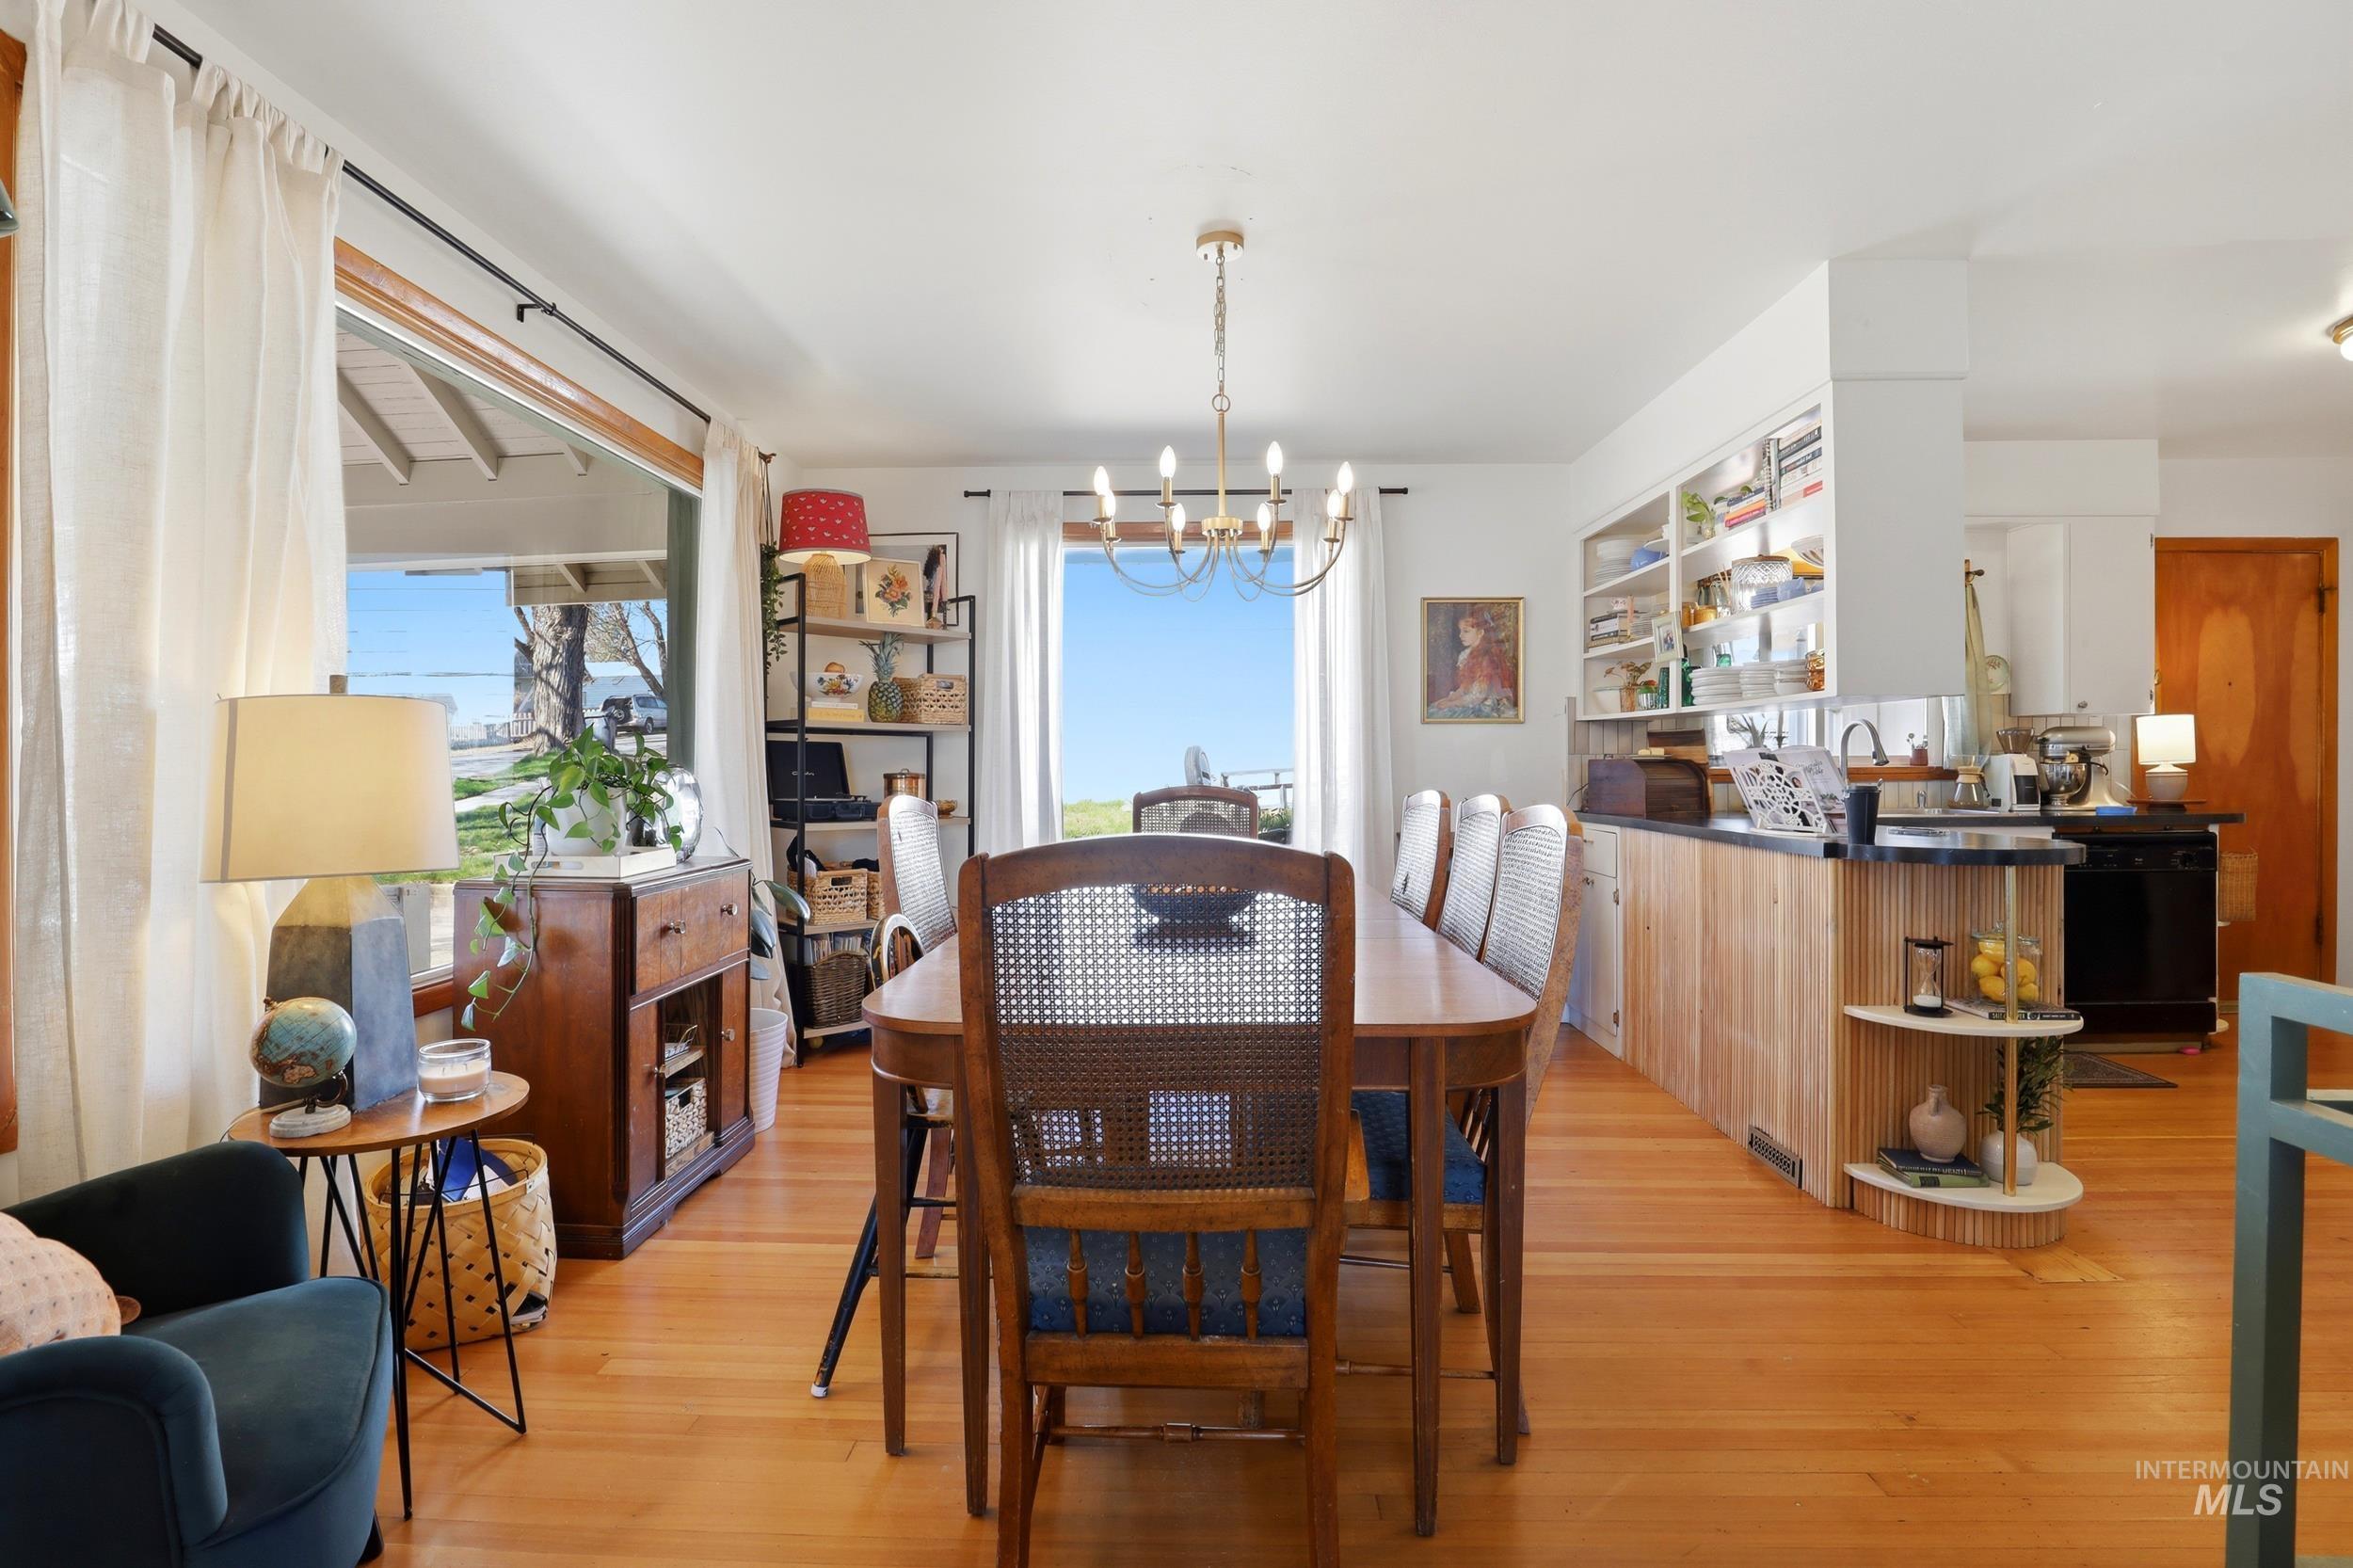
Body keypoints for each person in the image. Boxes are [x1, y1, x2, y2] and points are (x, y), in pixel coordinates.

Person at [1431, 605, 1517, 718]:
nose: (1460, 635)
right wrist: (1449, 698)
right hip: (1468, 700)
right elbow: (1464, 687)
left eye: (1466, 631)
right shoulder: (1465, 655)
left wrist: (1452, 703)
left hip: (1484, 705)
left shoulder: (1487, 658)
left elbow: (1478, 696)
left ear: (1481, 633)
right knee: (1434, 708)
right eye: (1460, 631)